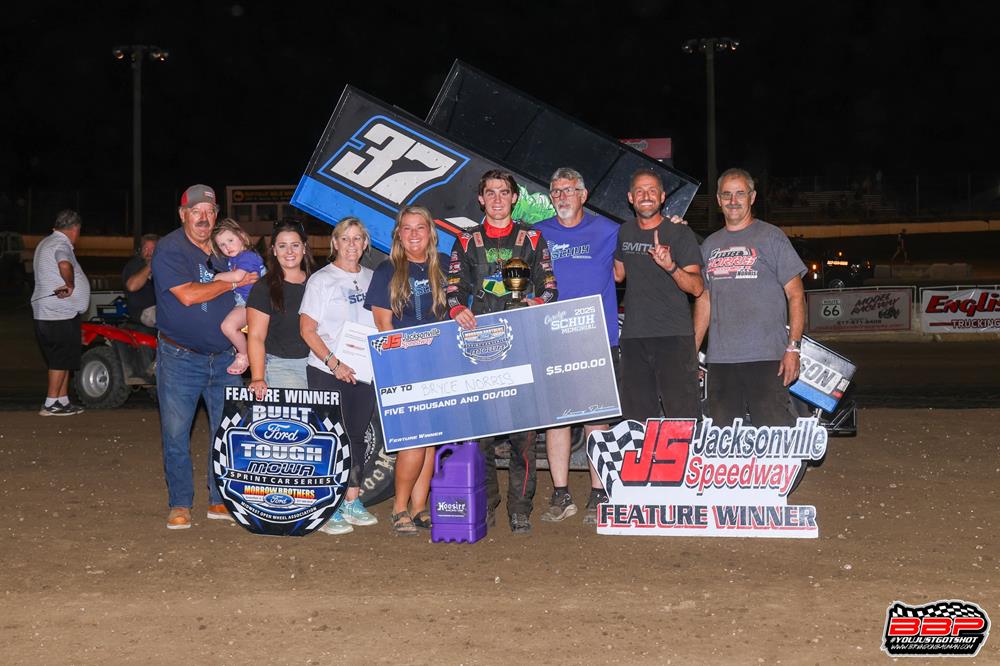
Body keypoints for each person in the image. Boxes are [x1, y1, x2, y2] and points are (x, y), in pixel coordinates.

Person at [447, 169, 558, 535]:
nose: (497, 198)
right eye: (490, 192)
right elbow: (453, 287)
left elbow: (550, 287)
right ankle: (487, 501)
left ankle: (520, 508)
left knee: (523, 434)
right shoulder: (466, 239)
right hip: (479, 346)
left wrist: (534, 302)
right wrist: (456, 308)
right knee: (479, 433)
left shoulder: (533, 237)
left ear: (514, 197)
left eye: (504, 192)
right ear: (481, 199)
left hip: (521, 342)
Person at [152, 184, 259, 530]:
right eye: (196, 211)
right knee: (176, 433)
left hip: (226, 357)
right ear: (183, 214)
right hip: (180, 358)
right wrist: (232, 283)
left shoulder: (224, 247)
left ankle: (219, 498)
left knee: (226, 431)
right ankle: (180, 502)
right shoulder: (170, 248)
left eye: (209, 211)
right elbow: (188, 295)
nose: (203, 218)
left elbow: (254, 282)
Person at [532, 168, 619, 525]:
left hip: (596, 339)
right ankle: (561, 493)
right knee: (557, 419)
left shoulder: (608, 230)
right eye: (556, 191)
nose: (561, 197)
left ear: (583, 195)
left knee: (597, 419)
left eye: (569, 190)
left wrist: (673, 226)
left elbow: (628, 263)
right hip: (552, 338)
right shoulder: (538, 233)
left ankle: (599, 494)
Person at [694, 168, 806, 427]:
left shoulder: (771, 236)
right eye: (727, 194)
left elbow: (796, 295)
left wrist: (793, 349)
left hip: (767, 358)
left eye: (740, 193)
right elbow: (704, 301)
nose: (733, 201)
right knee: (724, 436)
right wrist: (692, 351)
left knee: (773, 433)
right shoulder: (709, 245)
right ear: (718, 200)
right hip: (721, 360)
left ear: (752, 197)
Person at [365, 205, 449, 535]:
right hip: (403, 365)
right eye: (407, 228)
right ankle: (399, 508)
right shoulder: (387, 269)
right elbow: (383, 325)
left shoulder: (444, 266)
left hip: (439, 364)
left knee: (430, 442)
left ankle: (418, 508)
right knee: (414, 440)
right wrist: (401, 364)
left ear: (431, 233)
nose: (414, 234)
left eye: (420, 227)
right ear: (398, 234)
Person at [299, 217, 379, 535]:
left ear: (365, 244)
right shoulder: (321, 280)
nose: (351, 244)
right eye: (345, 238)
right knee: (331, 438)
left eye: (357, 238)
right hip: (327, 370)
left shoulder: (373, 278)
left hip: (363, 371)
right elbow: (307, 330)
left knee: (357, 436)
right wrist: (334, 364)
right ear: (335, 243)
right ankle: (326, 508)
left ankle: (351, 501)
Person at [613, 168, 703, 422]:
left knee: (682, 418)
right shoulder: (624, 232)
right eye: (640, 191)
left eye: (652, 190)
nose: (646, 196)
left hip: (674, 337)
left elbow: (697, 287)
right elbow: (617, 274)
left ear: (662, 197)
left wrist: (671, 266)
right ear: (630, 197)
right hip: (634, 338)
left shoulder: (679, 233)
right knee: (636, 419)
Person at [30, 209, 90, 416]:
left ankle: (62, 400)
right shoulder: (61, 244)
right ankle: (50, 403)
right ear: (74, 229)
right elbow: (64, 263)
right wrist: (70, 284)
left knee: (65, 358)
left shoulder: (46, 242)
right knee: (59, 357)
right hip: (57, 313)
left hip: (57, 312)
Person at [246, 219, 313, 400]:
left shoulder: (318, 282)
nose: (289, 252)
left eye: (295, 245)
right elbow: (255, 336)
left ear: (304, 247)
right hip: (282, 368)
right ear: (274, 250)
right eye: (282, 246)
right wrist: (258, 377)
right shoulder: (264, 287)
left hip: (319, 366)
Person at [209, 218, 266, 375]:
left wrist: (216, 277)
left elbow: (238, 276)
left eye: (230, 240)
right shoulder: (235, 258)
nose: (227, 247)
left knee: (228, 326)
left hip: (253, 303)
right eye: (222, 245)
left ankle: (244, 354)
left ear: (242, 236)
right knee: (228, 326)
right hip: (247, 302)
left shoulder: (247, 256)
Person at [122, 233, 159, 327]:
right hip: (144, 311)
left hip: (162, 308)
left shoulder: (164, 266)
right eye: (145, 248)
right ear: (140, 250)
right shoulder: (134, 265)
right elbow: (132, 286)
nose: (149, 253)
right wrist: (151, 265)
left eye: (152, 249)